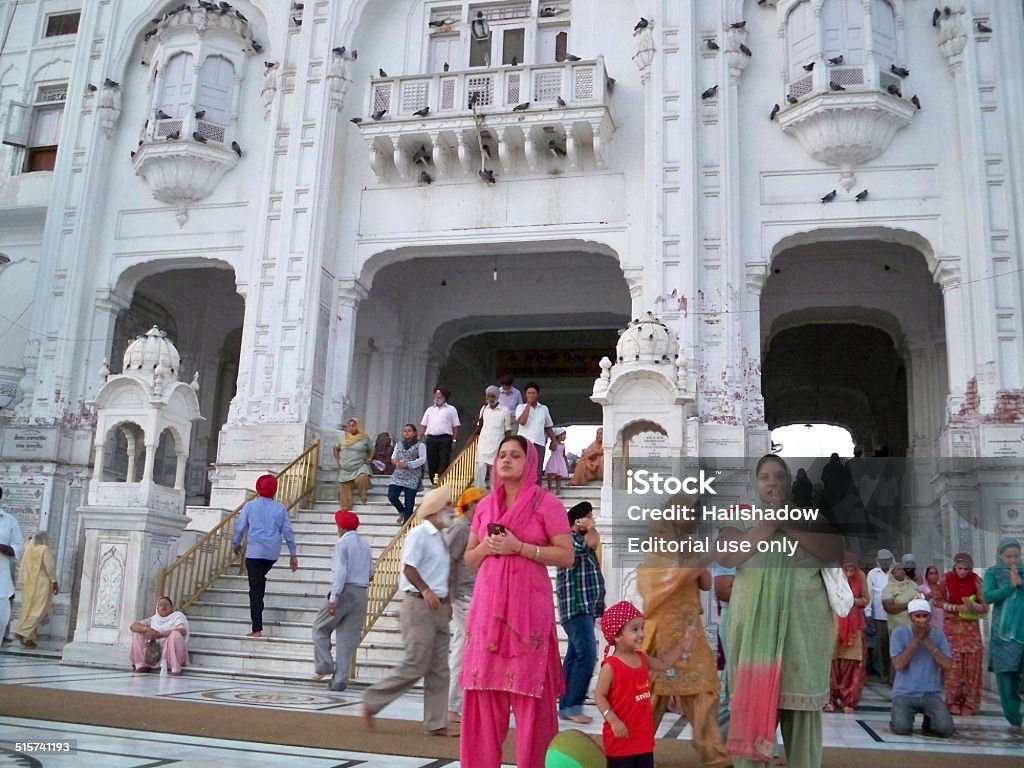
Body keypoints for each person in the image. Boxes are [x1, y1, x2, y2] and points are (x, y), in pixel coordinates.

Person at [459, 436, 574, 768]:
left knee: (531, 697)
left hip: (528, 614)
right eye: (502, 456)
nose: (506, 460)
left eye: (515, 455)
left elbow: (566, 556)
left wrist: (520, 547)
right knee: (481, 695)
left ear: (530, 463)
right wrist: (487, 548)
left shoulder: (546, 503)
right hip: (486, 611)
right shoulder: (484, 506)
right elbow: (469, 557)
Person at [720, 454, 841, 768]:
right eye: (764, 477)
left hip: (802, 631)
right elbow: (728, 556)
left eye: (779, 476)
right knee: (751, 719)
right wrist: (767, 527)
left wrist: (786, 522)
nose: (772, 482)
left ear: (789, 480)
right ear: (755, 483)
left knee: (802, 722)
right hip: (754, 633)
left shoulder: (810, 516)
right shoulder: (739, 515)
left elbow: (833, 552)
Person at [637, 495, 729, 767]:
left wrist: (700, 562)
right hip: (662, 634)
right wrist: (702, 559)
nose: (694, 520)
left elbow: (704, 582)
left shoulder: (687, 546)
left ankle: (715, 756)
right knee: (650, 700)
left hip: (689, 632)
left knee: (703, 690)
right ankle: (635, 754)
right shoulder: (658, 545)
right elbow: (661, 583)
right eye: (691, 514)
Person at [363, 486, 458, 736]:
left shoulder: (440, 537)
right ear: (436, 509)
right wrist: (427, 591)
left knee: (439, 667)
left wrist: (446, 601)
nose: (452, 509)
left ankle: (436, 723)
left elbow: (441, 574)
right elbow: (409, 568)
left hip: (437, 607)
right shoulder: (419, 534)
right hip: (419, 604)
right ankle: (373, 699)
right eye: (448, 504)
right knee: (416, 663)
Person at [594, 601, 692, 768]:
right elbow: (599, 695)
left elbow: (663, 663)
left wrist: (682, 646)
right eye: (634, 629)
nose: (641, 634)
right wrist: (613, 720)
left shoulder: (642, 658)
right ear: (617, 635)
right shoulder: (610, 666)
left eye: (642, 628)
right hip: (620, 741)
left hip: (643, 741)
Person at [311, 511, 373, 692]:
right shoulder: (365, 544)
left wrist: (334, 598)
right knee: (347, 639)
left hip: (345, 590)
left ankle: (324, 665)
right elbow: (371, 573)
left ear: (341, 527)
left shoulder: (342, 543)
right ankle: (339, 681)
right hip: (361, 593)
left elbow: (340, 572)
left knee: (320, 627)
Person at [556, 500, 605, 725]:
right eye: (588, 516)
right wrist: (591, 526)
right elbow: (592, 543)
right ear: (577, 521)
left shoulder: (577, 540)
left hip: (584, 607)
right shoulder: (570, 541)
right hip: (576, 607)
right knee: (587, 654)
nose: (591, 520)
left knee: (576, 656)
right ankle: (572, 704)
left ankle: (566, 703)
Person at [233, 473, 298, 638]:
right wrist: (293, 554)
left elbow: (240, 527)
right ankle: (260, 585)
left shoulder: (249, 506)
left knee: (255, 590)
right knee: (258, 582)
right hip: (272, 554)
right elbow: (288, 532)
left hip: (254, 553)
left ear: (257, 489)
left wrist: (236, 544)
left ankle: (257, 629)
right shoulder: (280, 508)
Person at [889, 598, 955, 737]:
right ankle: (898, 716)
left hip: (931, 693)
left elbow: (948, 665)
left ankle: (929, 722)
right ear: (910, 617)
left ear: (930, 617)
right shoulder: (898, 633)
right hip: (904, 694)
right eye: (917, 616)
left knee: (945, 729)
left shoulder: (938, 635)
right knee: (902, 728)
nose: (921, 620)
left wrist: (927, 641)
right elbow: (899, 665)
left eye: (925, 616)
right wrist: (916, 641)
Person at [447, 486, 485, 724]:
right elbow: (448, 562)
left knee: (461, 647)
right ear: (470, 506)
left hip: (470, 594)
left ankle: (455, 703)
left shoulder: (471, 528)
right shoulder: (461, 528)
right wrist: (448, 597)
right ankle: (455, 703)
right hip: (462, 595)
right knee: (470, 643)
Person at [937, 552, 987, 715]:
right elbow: (937, 601)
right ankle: (952, 702)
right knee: (954, 668)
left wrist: (973, 606)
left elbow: (985, 606)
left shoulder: (976, 580)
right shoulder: (946, 579)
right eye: (960, 568)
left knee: (971, 668)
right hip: (952, 630)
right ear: (954, 567)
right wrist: (955, 608)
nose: (963, 572)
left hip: (971, 631)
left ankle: (970, 704)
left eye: (966, 569)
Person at [983, 539, 1024, 735]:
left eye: (1017, 556)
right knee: (1007, 677)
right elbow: (988, 596)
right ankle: (1014, 719)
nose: (1013, 560)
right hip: (1004, 635)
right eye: (1009, 557)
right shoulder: (993, 573)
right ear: (1000, 556)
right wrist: (1011, 585)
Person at [827, 552, 870, 713]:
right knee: (831, 661)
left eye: (852, 570)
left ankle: (848, 701)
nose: (849, 573)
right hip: (834, 623)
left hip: (854, 625)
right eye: (846, 570)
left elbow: (866, 600)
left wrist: (852, 601)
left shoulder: (860, 577)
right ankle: (829, 699)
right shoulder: (832, 576)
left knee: (852, 662)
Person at [14, 532, 58, 647]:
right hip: (42, 583)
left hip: (29, 582)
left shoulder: (29, 547)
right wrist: (54, 581)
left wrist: (29, 541)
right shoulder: (44, 549)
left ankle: (29, 639)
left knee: (28, 608)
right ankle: (22, 631)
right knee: (39, 609)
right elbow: (50, 566)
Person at [129, 596, 189, 675]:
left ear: (171, 608)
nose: (163, 607)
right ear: (157, 608)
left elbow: (182, 631)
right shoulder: (153, 619)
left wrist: (159, 634)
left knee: (175, 635)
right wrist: (146, 629)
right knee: (137, 633)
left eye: (166, 604)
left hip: (170, 652)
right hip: (153, 654)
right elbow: (133, 626)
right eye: (161, 605)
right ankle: (141, 665)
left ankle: (175, 669)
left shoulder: (177, 617)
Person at [473, 385, 512, 489]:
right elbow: (480, 425)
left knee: (495, 471)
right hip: (483, 442)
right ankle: (479, 492)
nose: (490, 399)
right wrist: (472, 437)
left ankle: (495, 495)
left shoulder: (505, 411)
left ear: (497, 397)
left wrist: (507, 445)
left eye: (492, 396)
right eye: (488, 396)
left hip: (497, 444)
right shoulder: (484, 409)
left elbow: (508, 430)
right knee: (480, 467)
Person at [514, 382, 555, 481]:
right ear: (525, 395)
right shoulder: (520, 407)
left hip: (539, 443)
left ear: (537, 395)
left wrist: (553, 440)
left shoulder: (544, 409)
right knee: (523, 468)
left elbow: (548, 426)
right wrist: (528, 405)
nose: (531, 395)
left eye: (533, 393)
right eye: (529, 393)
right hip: (523, 443)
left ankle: (535, 493)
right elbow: (522, 422)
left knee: (537, 471)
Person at [420, 388, 461, 483]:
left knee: (443, 461)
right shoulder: (429, 410)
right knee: (432, 461)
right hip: (431, 439)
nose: (438, 397)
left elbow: (455, 426)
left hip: (445, 439)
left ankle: (441, 481)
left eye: (440, 395)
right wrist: (418, 438)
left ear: (445, 397)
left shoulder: (451, 409)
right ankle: (433, 481)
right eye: (436, 394)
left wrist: (454, 440)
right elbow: (423, 425)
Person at [866, 547, 895, 682]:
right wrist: (868, 613)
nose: (885, 563)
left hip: (895, 615)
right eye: (882, 560)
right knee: (882, 645)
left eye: (887, 560)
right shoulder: (873, 573)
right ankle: (884, 675)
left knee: (894, 645)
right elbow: (869, 594)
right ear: (878, 561)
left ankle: (894, 676)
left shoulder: (896, 572)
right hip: (879, 616)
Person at [0, 488, 24, 644]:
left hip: (1, 581)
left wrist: (1, 547)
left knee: (2, 619)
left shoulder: (9, 521)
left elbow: (18, 547)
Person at [389, 424, 427, 524]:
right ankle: (402, 511)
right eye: (405, 431)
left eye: (409, 430)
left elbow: (422, 459)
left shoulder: (420, 445)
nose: (406, 432)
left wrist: (409, 464)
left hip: (412, 476)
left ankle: (406, 527)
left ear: (414, 433)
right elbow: (393, 457)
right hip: (398, 475)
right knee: (392, 496)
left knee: (409, 503)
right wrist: (395, 462)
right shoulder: (399, 444)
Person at [333, 418, 373, 508]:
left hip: (359, 465)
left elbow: (372, 449)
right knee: (343, 484)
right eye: (349, 426)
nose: (351, 428)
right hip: (346, 467)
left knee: (363, 476)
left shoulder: (364, 437)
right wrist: (338, 460)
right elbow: (335, 448)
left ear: (358, 426)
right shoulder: (342, 437)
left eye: (353, 426)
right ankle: (346, 508)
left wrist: (369, 459)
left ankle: (363, 495)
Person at [882, 559, 920, 638]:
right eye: (898, 569)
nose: (902, 571)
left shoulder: (912, 584)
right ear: (892, 573)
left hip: (915, 626)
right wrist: (910, 604)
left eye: (903, 569)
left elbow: (921, 598)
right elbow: (889, 608)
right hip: (898, 628)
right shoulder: (889, 588)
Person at [544, 427, 569, 494]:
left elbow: (563, 454)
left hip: (560, 461)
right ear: (559, 435)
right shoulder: (553, 443)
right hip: (554, 460)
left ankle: (558, 490)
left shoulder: (563, 445)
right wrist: (554, 441)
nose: (565, 437)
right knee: (550, 474)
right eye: (563, 435)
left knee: (558, 476)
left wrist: (566, 462)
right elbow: (551, 448)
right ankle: (549, 488)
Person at [923, 565, 944, 631]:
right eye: (931, 573)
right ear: (926, 576)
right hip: (928, 618)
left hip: (942, 618)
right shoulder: (921, 589)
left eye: (936, 573)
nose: (934, 576)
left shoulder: (943, 588)